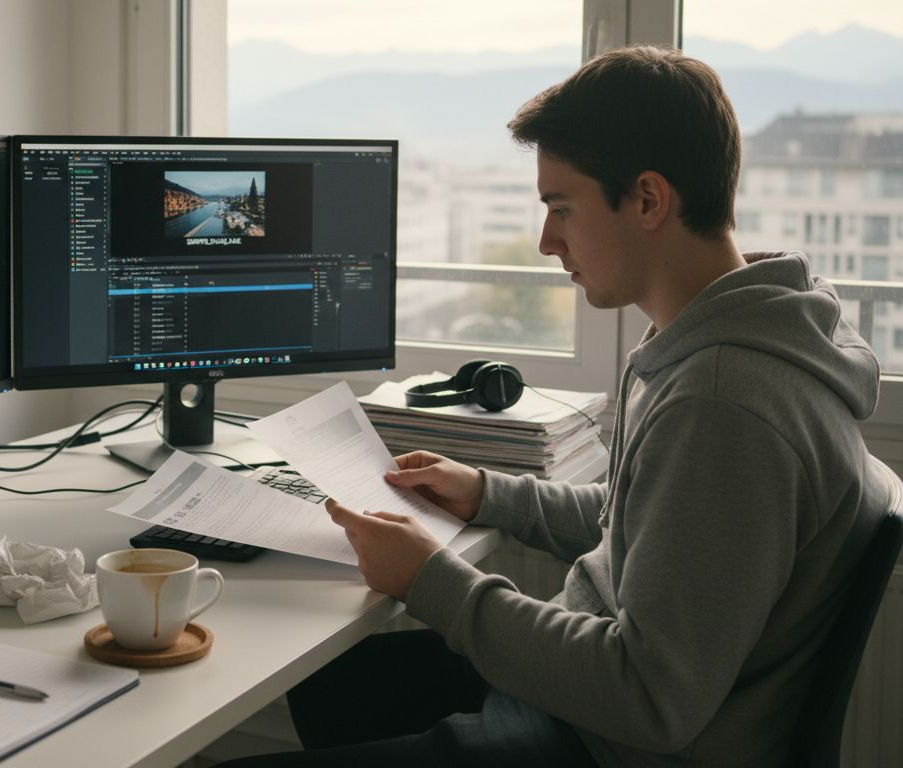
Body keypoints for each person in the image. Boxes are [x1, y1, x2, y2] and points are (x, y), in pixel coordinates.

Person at [219, 45, 887, 768]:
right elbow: (641, 529)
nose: (545, 242)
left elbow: (650, 697)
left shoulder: (723, 402)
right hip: (596, 704)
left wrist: (430, 581)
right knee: (334, 686)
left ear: (648, 199)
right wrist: (487, 494)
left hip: (611, 740)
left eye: (561, 208)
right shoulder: (719, 336)